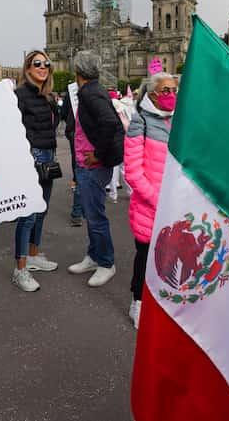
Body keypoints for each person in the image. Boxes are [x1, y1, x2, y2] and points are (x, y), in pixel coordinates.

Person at [67, 51, 125, 287]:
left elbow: (110, 123)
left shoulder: (91, 92)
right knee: (91, 216)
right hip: (87, 164)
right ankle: (93, 256)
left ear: (77, 71)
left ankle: (106, 263)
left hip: (94, 165)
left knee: (96, 217)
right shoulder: (91, 90)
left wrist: (98, 154)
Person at [124, 72, 176, 329]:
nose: (172, 95)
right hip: (150, 207)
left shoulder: (176, 121)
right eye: (166, 91)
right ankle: (137, 301)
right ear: (152, 94)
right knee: (145, 257)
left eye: (174, 90)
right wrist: (158, 199)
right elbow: (132, 172)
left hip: (174, 205)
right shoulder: (140, 121)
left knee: (167, 258)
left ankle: (160, 301)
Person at [12, 50, 60, 292]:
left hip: (49, 156)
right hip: (31, 158)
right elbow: (12, 128)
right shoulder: (20, 94)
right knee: (28, 214)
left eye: (46, 64)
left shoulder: (47, 96)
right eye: (37, 63)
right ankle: (20, 269)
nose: (43, 67)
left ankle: (33, 255)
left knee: (41, 210)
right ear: (28, 68)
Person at [59, 91, 85, 226]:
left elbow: (62, 113)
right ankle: (81, 210)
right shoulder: (99, 91)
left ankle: (77, 212)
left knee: (78, 168)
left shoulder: (71, 92)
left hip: (74, 132)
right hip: (88, 135)